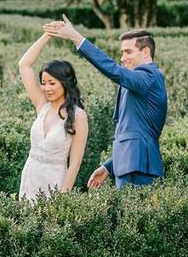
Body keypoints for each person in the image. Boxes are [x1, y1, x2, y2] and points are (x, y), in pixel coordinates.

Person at [45, 15, 167, 189]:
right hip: (131, 164)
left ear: (146, 51)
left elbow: (114, 71)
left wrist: (76, 37)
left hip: (138, 169)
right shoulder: (139, 80)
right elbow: (134, 131)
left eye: (128, 52)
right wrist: (109, 166)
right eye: (122, 52)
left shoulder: (149, 76)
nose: (123, 58)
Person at [17, 31, 89, 202]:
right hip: (29, 177)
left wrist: (61, 199)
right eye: (43, 83)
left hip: (54, 183)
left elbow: (75, 164)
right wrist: (47, 35)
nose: (46, 88)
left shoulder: (79, 116)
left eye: (52, 83)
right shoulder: (42, 104)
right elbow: (24, 65)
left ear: (65, 83)